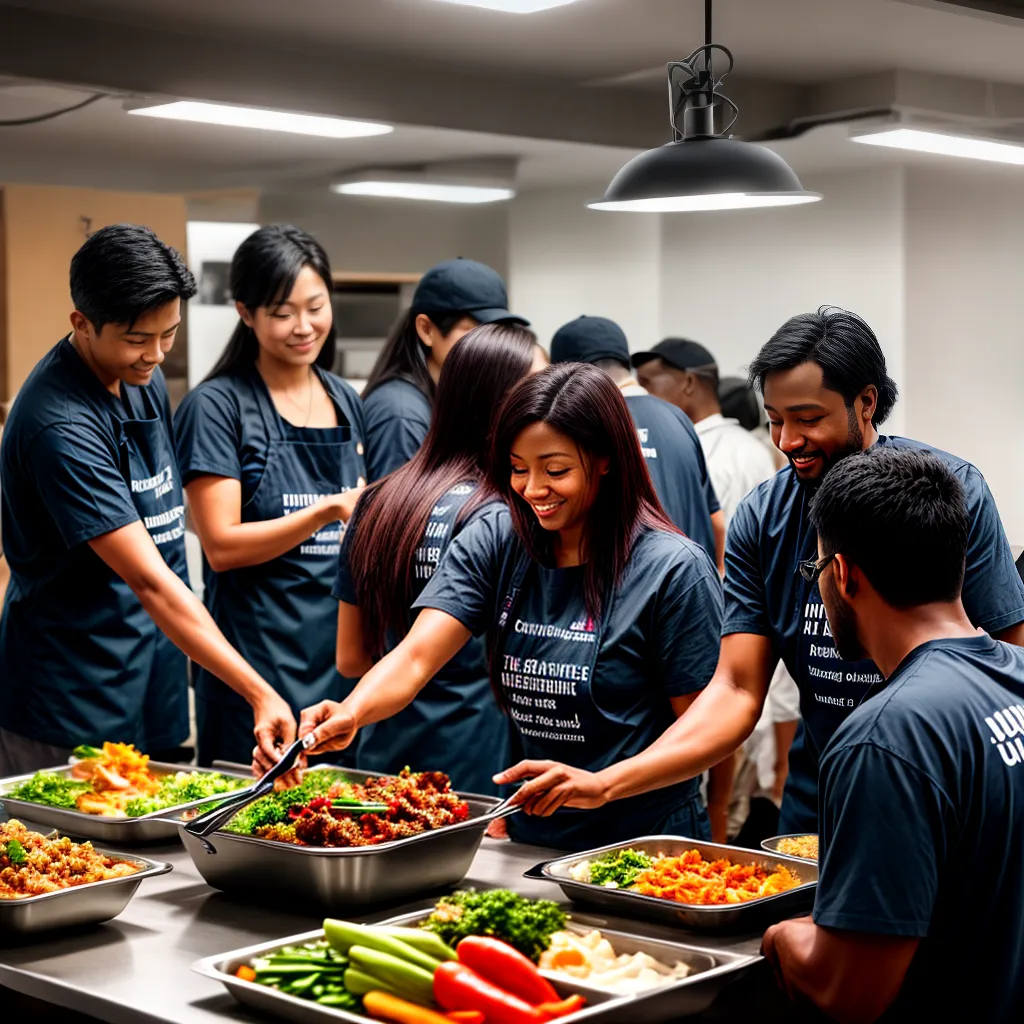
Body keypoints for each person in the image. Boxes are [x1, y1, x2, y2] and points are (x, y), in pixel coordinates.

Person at [448, 307, 1024, 837]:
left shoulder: (945, 492)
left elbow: (1005, 662)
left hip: (952, 795)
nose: (787, 441)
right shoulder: (765, 515)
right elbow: (735, 688)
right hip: (823, 800)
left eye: (808, 419)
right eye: (774, 419)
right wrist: (608, 783)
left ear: (866, 402)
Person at [287, 364, 724, 852]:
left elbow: (704, 729)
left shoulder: (672, 568)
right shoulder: (500, 539)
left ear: (606, 459)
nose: (533, 489)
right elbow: (415, 657)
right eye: (519, 469)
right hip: (531, 834)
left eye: (555, 470)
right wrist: (351, 712)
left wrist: (604, 785)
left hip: (645, 841)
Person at [0, 224, 294, 775]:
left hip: (148, 669)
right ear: (81, 324)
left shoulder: (140, 375)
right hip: (69, 688)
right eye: (137, 339)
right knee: (75, 857)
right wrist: (258, 691)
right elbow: (149, 579)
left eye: (170, 334)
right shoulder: (59, 424)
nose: (155, 355)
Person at [764, 447, 1024, 1023]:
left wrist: (781, 936)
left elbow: (849, 993)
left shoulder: (886, 739)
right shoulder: (1016, 676)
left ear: (842, 574)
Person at [174, 225, 367, 767]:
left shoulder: (344, 398)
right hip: (252, 673)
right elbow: (222, 545)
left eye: (316, 306)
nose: (304, 327)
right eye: (283, 313)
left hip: (335, 674)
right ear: (246, 312)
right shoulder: (217, 407)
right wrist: (329, 508)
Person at [335, 324, 541, 793]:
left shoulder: (376, 502)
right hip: (477, 768)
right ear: (503, 406)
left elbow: (350, 659)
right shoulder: (505, 514)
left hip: (382, 754)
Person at [549, 316, 722, 569]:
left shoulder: (583, 422)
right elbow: (716, 521)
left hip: (629, 597)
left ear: (565, 374)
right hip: (693, 589)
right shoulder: (679, 419)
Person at [361, 258, 528, 482]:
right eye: (473, 332)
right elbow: (398, 513)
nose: (488, 346)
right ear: (426, 329)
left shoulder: (452, 398)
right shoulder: (401, 413)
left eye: (496, 332)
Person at [633, 338, 776, 524]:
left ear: (689, 383)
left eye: (645, 383)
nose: (640, 393)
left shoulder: (699, 453)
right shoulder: (753, 449)